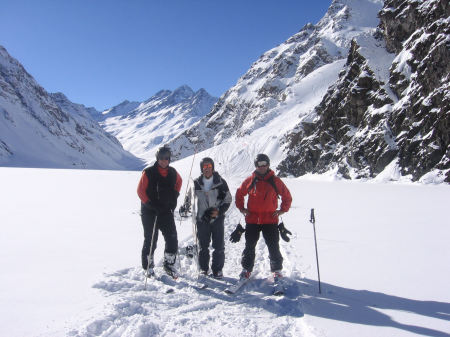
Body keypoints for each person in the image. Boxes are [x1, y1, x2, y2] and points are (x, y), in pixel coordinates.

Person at [230, 153, 292, 281]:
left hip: (270, 220)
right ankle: (246, 269)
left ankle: (277, 270)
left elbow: (287, 196)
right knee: (249, 245)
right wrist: (242, 208)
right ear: (256, 165)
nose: (262, 166)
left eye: (264, 164)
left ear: (268, 164)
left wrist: (282, 211)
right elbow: (239, 194)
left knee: (273, 245)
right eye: (259, 164)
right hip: (252, 220)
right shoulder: (250, 180)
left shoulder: (275, 181)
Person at [137, 146, 182, 279]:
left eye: (166, 158)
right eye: (161, 158)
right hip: (150, 212)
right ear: (157, 158)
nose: (164, 161)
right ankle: (148, 267)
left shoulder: (173, 172)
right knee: (151, 239)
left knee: (172, 237)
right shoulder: (149, 172)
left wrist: (174, 197)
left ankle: (169, 264)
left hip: (165, 210)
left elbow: (179, 182)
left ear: (169, 159)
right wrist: (150, 204)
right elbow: (140, 191)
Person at [192, 157, 232, 279]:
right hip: (202, 220)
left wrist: (219, 212)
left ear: (213, 167)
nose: (207, 169)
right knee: (203, 246)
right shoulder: (196, 183)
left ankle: (217, 269)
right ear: (201, 168)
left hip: (217, 219)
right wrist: (186, 208)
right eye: (205, 167)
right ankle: (204, 269)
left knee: (219, 246)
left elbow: (228, 199)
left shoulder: (220, 182)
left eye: (209, 166)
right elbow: (190, 200)